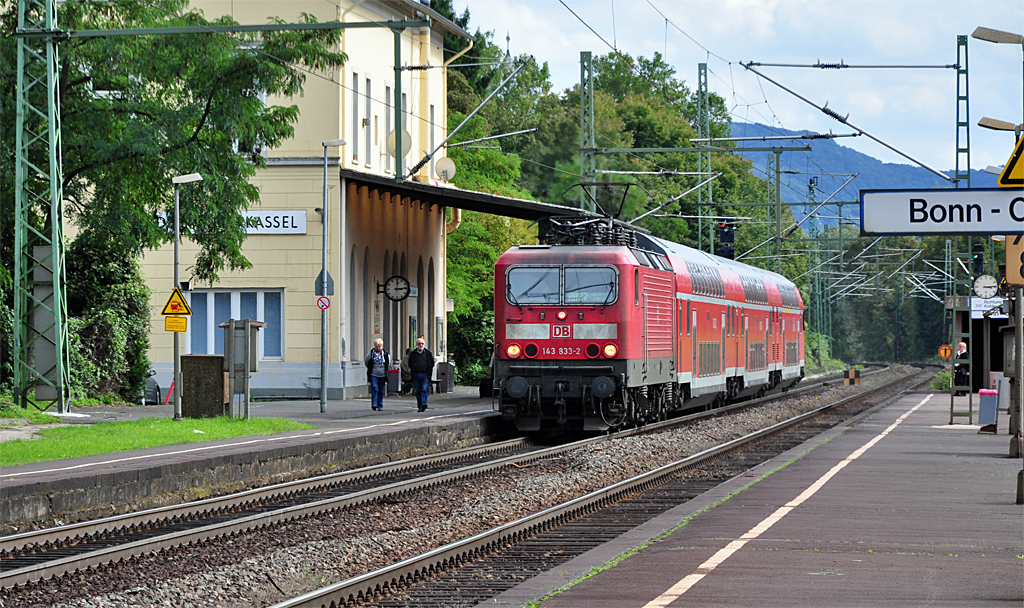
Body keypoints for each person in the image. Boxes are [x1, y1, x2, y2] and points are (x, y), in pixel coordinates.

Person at [407, 337, 435, 412]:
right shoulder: (413, 354)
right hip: (416, 374)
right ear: (416, 345)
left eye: (422, 344)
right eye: (419, 344)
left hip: (425, 374)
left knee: (424, 389)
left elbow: (432, 363)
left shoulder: (428, 353)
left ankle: (424, 403)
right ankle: (420, 406)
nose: (420, 345)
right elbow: (410, 364)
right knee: (418, 390)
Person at [364, 338, 390, 411]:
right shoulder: (371, 354)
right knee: (374, 388)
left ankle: (380, 405)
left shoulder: (385, 355)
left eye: (380, 346)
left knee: (381, 390)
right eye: (377, 346)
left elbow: (388, 364)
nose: (378, 348)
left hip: (383, 375)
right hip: (374, 374)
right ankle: (374, 404)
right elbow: (366, 362)